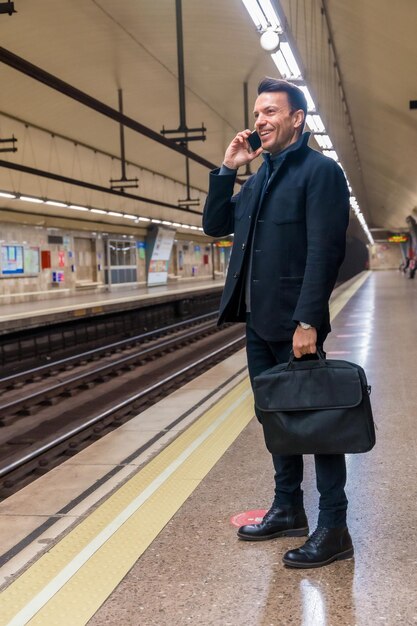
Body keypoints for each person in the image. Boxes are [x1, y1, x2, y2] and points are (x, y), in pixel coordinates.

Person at [203, 77, 352, 569]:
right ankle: (288, 507)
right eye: (257, 112)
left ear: (297, 119)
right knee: (277, 420)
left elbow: (324, 251)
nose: (260, 120)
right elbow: (214, 224)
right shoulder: (259, 178)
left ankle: (333, 526)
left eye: (271, 111)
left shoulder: (320, 173)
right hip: (258, 324)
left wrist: (308, 320)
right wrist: (228, 169)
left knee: (320, 425)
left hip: (295, 325)